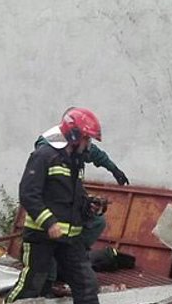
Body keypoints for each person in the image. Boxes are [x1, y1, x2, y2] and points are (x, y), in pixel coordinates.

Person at [6, 107, 118, 304]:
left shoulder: (75, 160)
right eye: (87, 139)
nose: (89, 144)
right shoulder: (44, 155)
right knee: (32, 283)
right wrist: (49, 223)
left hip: (71, 238)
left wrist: (86, 205)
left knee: (86, 284)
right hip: (41, 237)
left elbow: (67, 195)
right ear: (75, 135)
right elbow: (29, 194)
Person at [33, 109, 130, 271]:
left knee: (97, 222)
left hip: (69, 201)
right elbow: (37, 190)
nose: (88, 144)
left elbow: (97, 155)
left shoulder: (78, 145)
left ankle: (73, 256)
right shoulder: (48, 151)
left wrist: (114, 170)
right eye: (86, 138)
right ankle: (59, 263)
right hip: (52, 206)